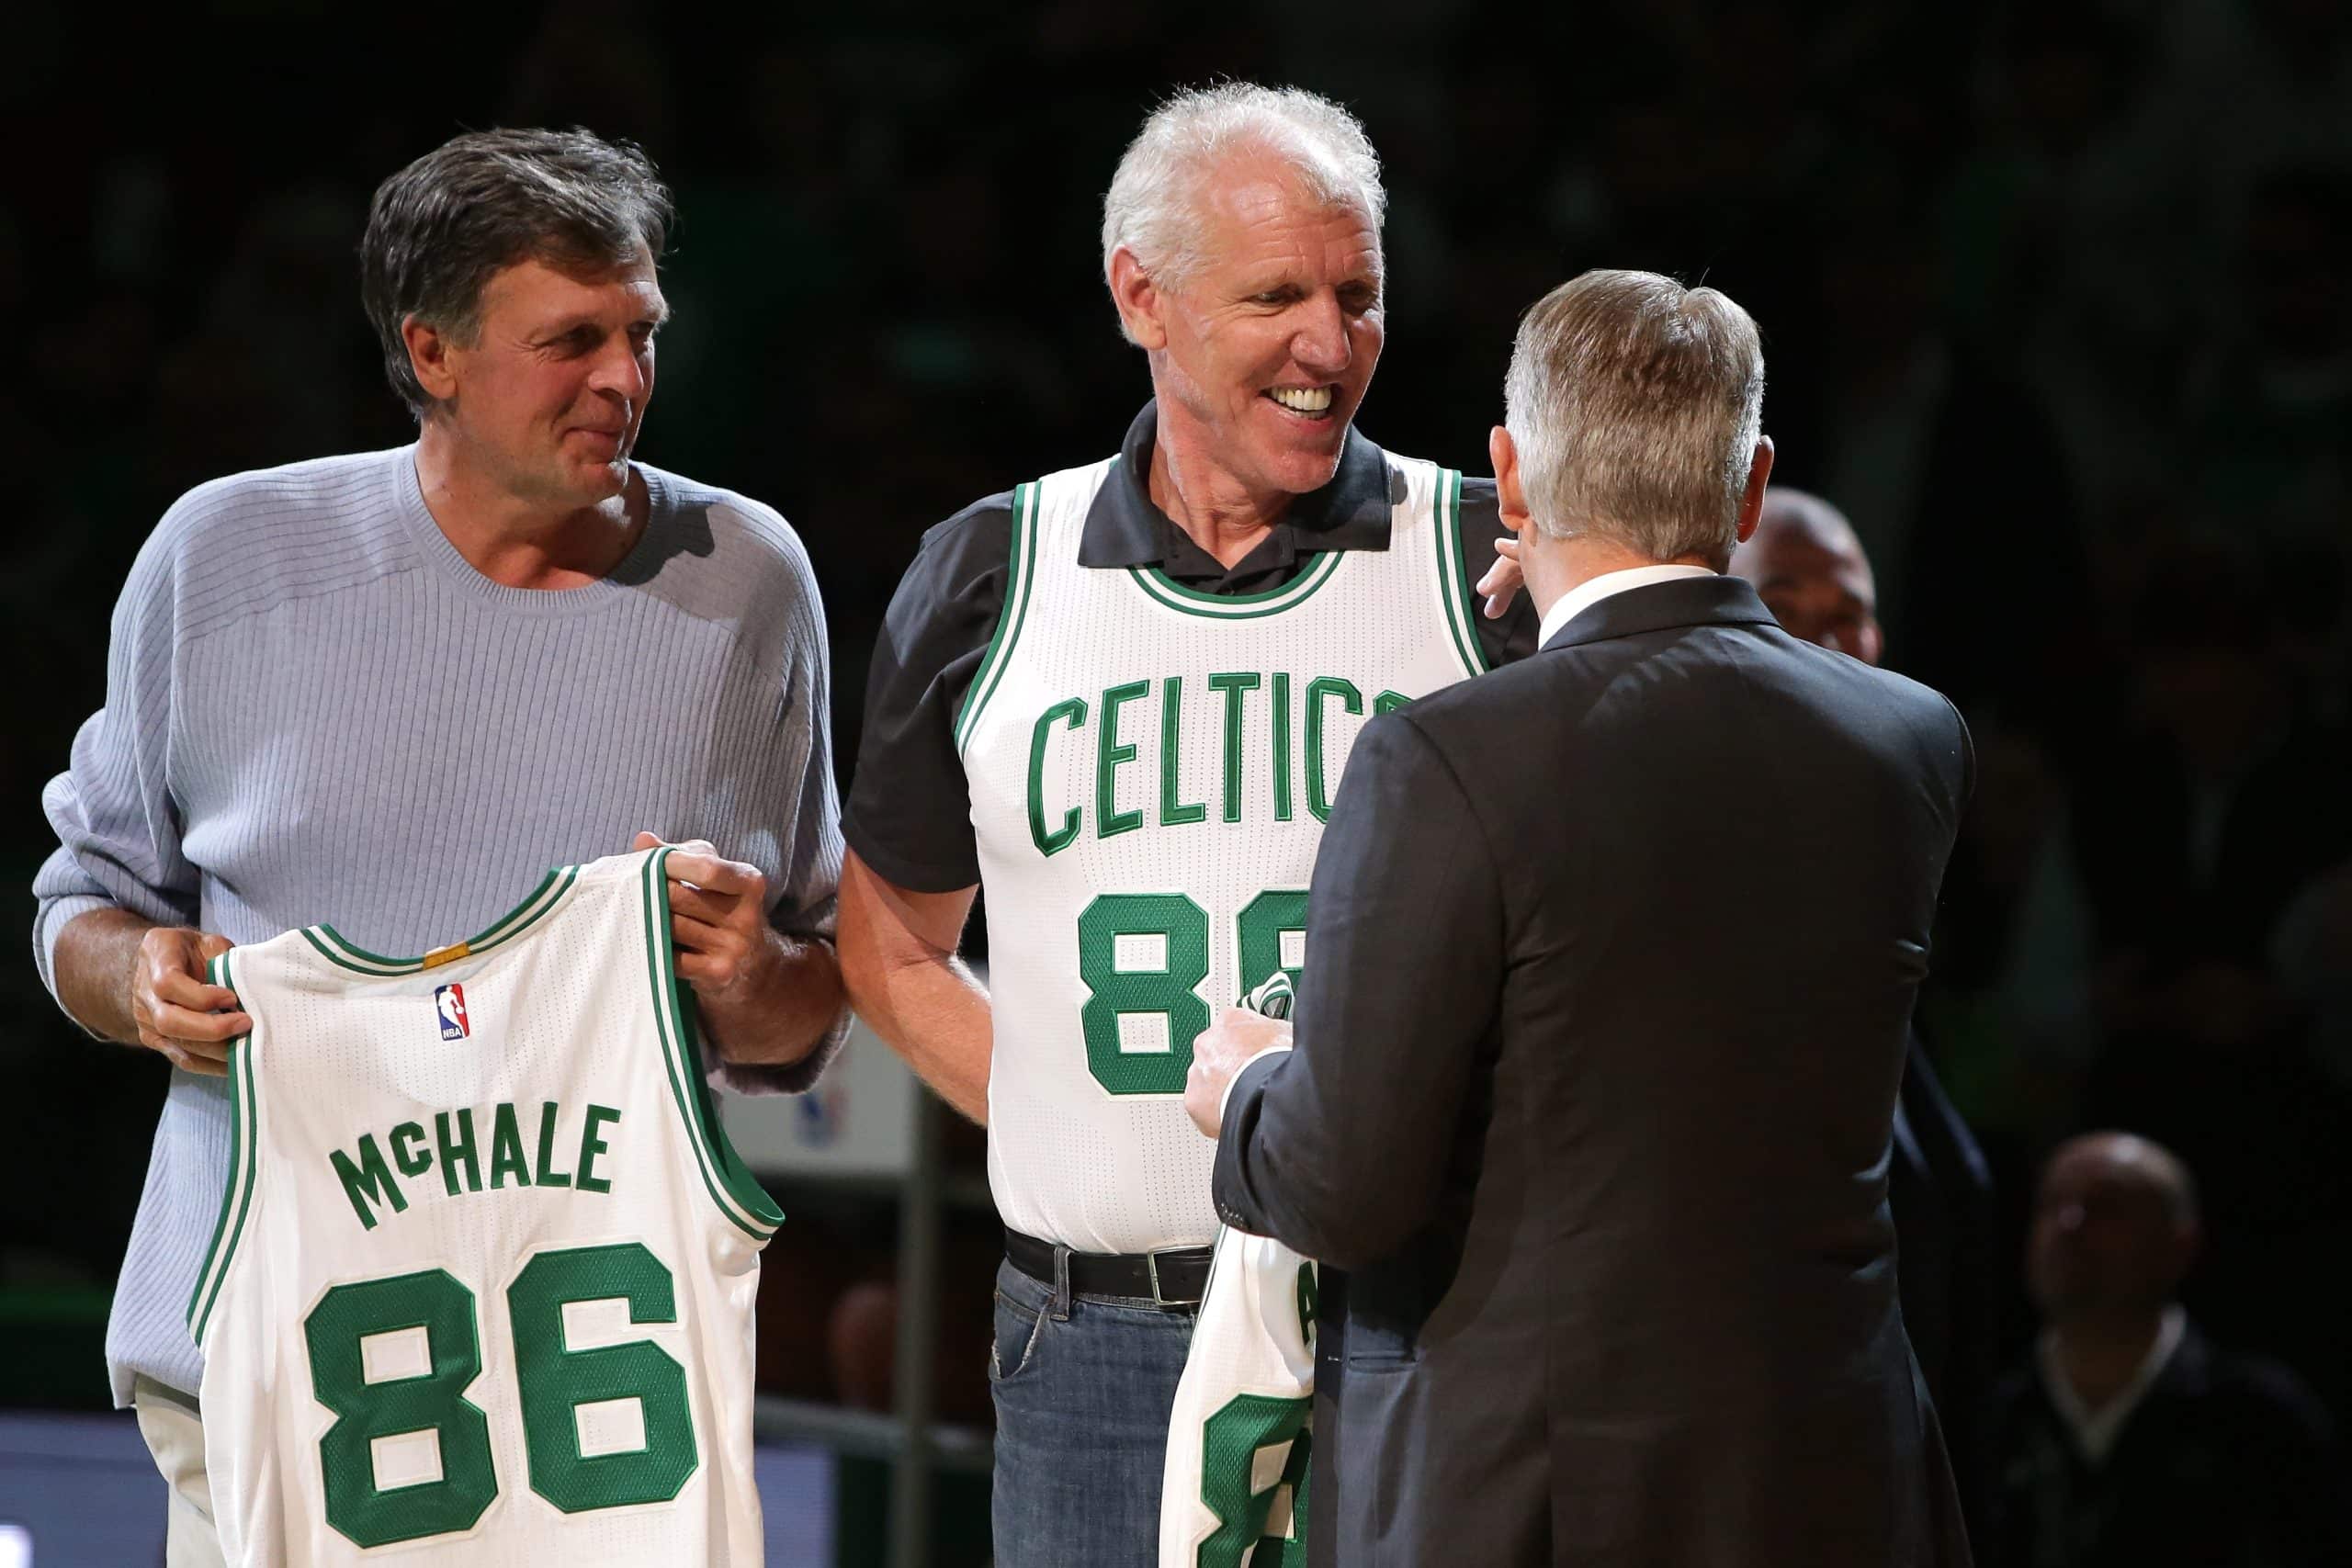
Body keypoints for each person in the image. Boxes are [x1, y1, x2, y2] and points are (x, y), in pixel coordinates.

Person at [31, 128, 848, 1565]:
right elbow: (83, 901)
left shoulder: (749, 582)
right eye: (572, 339)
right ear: (434, 350)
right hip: (260, 1374)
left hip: (600, 1416)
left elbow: (813, 1002)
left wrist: (752, 971)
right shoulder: (222, 558)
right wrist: (135, 979)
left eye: (642, 333)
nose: (625, 379)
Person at [835, 83, 1535, 1563]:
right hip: (1093, 1342)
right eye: (1277, 294)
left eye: (1359, 294)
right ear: (1137, 295)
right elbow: (889, 944)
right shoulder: (987, 574)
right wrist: (1080, 1129)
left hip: (1406, 1317)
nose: (1330, 345)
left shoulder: (1483, 561)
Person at [1189, 269, 1975, 1566]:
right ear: (1751, 480)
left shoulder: (1442, 760)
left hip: (1537, 1499)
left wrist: (1251, 1089)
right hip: (1834, 1482)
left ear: (1508, 473)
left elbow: (1343, 1182)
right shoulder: (1911, 742)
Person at [1732, 487, 2000, 1531]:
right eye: (1784, 600)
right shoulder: (1693, 858)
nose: (1827, 635)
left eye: (1848, 608)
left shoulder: (1894, 827)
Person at [1985, 1133, 2349, 1566]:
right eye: (2051, 1203)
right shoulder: (1989, 1417)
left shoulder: (2259, 1420)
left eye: (2107, 1207)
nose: (2070, 1223)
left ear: (2179, 1243)